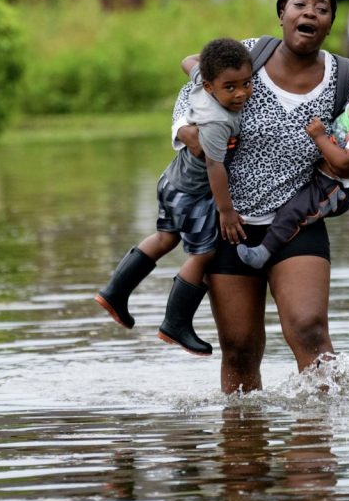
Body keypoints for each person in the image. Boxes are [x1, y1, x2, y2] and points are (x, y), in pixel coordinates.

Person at [173, 0, 349, 393]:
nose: (310, 12)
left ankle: (319, 442)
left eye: (322, 8)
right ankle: (243, 447)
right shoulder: (247, 56)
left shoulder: (345, 80)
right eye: (300, 3)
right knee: (240, 347)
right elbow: (192, 92)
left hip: (297, 219)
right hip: (230, 222)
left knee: (309, 330)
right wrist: (187, 133)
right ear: (282, 14)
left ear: (329, 24)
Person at [95, 37, 252, 356]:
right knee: (204, 254)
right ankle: (176, 323)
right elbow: (214, 166)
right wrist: (226, 211)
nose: (241, 94)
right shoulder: (217, 121)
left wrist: (209, 63)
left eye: (246, 83)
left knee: (166, 238)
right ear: (210, 87)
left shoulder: (201, 80)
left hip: (171, 182)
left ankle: (114, 292)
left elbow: (187, 60)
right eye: (230, 87)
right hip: (193, 193)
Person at [237, 65, 349, 268]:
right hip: (321, 179)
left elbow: (342, 163)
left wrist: (319, 137)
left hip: (334, 189)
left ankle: (263, 253)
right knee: (289, 204)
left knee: (294, 211)